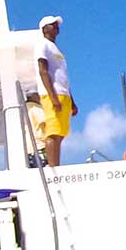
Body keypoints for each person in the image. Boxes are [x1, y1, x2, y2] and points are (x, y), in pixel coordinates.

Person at [34, 15, 74, 167]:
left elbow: (62, 75)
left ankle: (56, 165)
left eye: (57, 24)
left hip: (64, 94)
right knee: (53, 132)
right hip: (53, 94)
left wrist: (72, 101)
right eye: (53, 24)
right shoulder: (42, 44)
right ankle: (53, 168)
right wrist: (53, 97)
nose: (57, 26)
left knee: (61, 132)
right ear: (44, 28)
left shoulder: (56, 48)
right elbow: (43, 71)